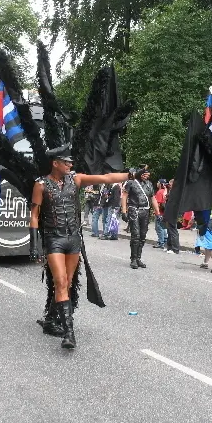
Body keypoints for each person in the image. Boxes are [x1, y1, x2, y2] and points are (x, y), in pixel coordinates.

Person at [29, 145, 140, 349]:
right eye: (66, 162)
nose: (70, 164)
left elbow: (106, 178)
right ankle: (69, 334)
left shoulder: (76, 179)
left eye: (71, 162)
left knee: (68, 283)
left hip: (73, 240)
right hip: (53, 239)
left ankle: (51, 321)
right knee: (61, 281)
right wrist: (34, 244)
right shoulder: (41, 185)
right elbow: (34, 216)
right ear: (55, 163)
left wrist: (130, 174)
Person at [121, 165, 161, 269]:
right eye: (144, 173)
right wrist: (124, 211)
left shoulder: (149, 184)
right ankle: (133, 259)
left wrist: (158, 212)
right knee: (136, 235)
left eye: (147, 174)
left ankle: (138, 258)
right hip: (134, 210)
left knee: (143, 236)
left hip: (146, 211)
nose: (145, 176)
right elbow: (124, 196)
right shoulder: (131, 182)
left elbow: (153, 198)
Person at [153, 179, 168, 249]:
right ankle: (165, 240)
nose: (157, 183)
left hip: (159, 213)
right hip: (165, 212)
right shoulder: (166, 191)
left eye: (158, 182)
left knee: (158, 228)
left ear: (161, 184)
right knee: (163, 227)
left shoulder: (159, 192)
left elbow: (158, 203)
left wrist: (157, 212)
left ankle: (161, 242)